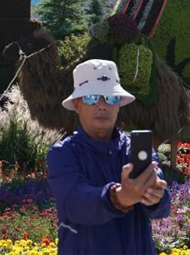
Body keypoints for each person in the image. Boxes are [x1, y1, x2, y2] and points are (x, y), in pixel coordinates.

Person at [47, 59, 171, 255]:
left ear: (119, 104)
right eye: (91, 98)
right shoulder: (63, 154)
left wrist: (156, 196)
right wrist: (119, 197)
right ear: (77, 105)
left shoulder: (135, 149)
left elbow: (162, 209)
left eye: (110, 98)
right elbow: (75, 203)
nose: (102, 106)